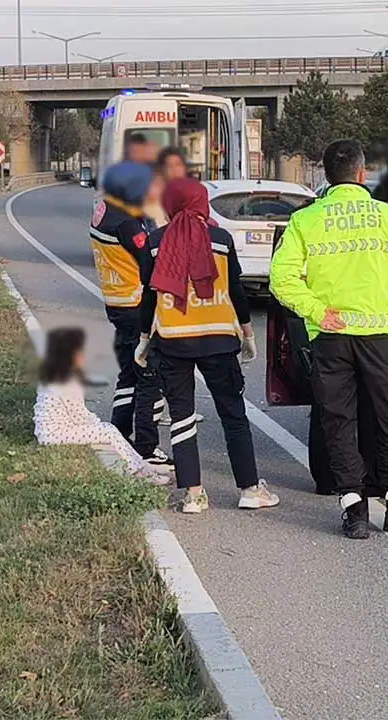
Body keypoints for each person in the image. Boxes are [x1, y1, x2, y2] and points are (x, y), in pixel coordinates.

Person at [270, 139, 388, 539]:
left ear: (327, 176)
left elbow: (280, 278)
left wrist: (315, 310)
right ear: (363, 174)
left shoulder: (306, 220)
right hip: (378, 337)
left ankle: (354, 511)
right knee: (387, 419)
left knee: (338, 422)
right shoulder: (387, 217)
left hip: (329, 338)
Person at [137, 178, 277, 515]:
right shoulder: (221, 240)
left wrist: (144, 340)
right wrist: (248, 335)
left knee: (182, 417)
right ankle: (249, 488)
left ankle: (194, 495)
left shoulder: (155, 243)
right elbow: (236, 292)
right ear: (202, 203)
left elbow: (148, 297)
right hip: (219, 340)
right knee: (233, 414)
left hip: (174, 342)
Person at [90, 161, 170, 471]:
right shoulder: (127, 224)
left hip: (116, 301)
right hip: (135, 303)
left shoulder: (104, 210)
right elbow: (151, 258)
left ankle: (119, 433)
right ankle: (146, 448)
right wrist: (160, 222)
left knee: (128, 373)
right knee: (149, 375)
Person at [33, 327, 168, 482]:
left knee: (109, 430)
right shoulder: (68, 382)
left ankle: (141, 464)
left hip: (47, 431)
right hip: (56, 434)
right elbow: (78, 414)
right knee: (109, 432)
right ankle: (138, 471)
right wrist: (97, 424)